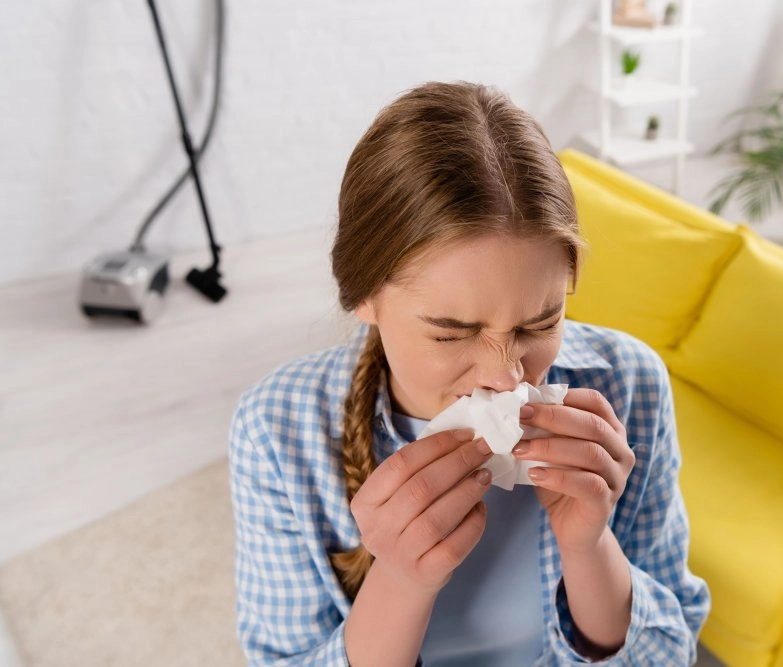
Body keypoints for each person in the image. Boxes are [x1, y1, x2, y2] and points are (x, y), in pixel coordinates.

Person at [229, 81, 710, 667]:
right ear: (364, 298)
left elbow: (670, 652)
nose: (507, 379)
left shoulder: (630, 386)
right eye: (451, 333)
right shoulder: (276, 433)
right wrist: (402, 580)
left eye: (541, 322)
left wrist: (590, 548)